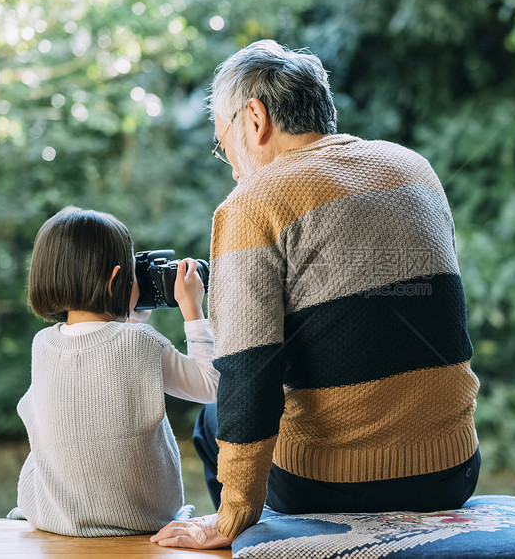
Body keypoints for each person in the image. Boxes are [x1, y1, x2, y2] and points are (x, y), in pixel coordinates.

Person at [152, 40, 480, 550]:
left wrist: (233, 514)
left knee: (212, 419)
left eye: (224, 146)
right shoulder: (416, 170)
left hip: (333, 486)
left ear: (255, 119)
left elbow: (247, 372)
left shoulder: (252, 203)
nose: (233, 169)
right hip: (453, 472)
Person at [8, 206, 219, 537]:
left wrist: (129, 320)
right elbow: (210, 387)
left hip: (54, 516)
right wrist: (192, 309)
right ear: (115, 279)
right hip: (142, 517)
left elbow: (101, 359)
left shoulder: (43, 343)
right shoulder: (142, 342)